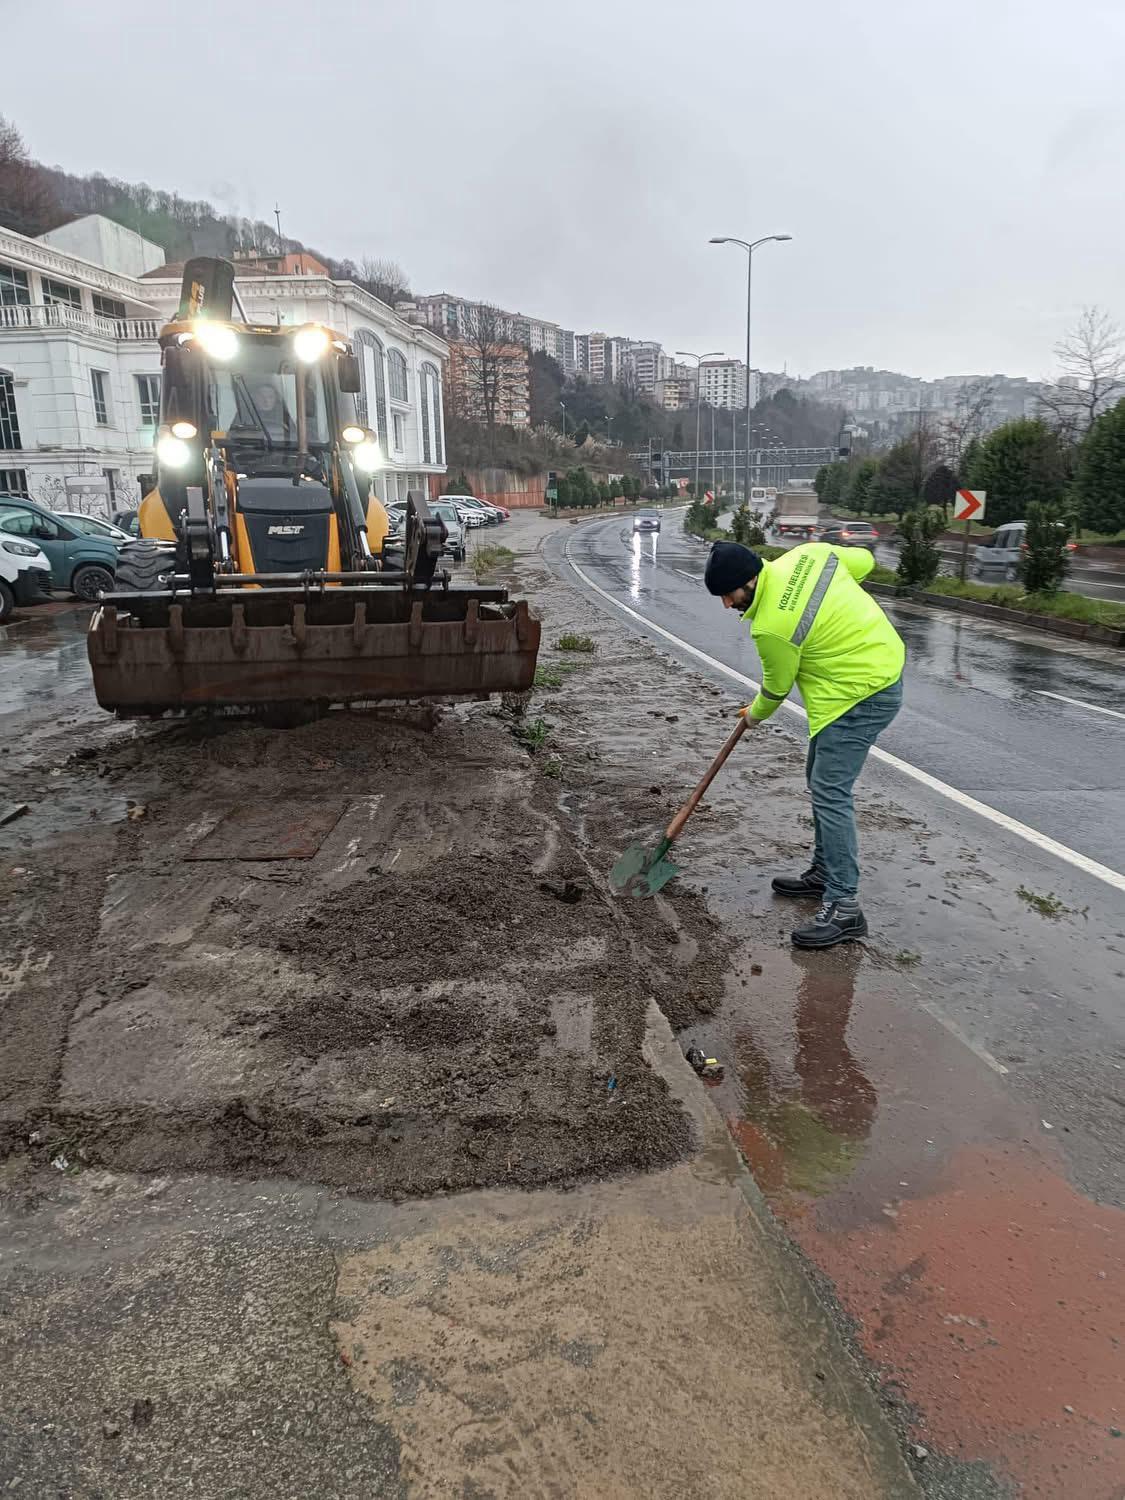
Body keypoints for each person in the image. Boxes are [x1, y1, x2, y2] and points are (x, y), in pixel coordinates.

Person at [704, 538, 904, 949]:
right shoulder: (810, 554)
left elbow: (776, 689)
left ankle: (845, 905)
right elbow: (864, 561)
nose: (727, 605)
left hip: (857, 695)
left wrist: (753, 716)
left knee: (831, 792)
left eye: (729, 595)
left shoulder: (771, 627)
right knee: (819, 778)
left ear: (751, 580)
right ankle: (824, 872)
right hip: (882, 667)